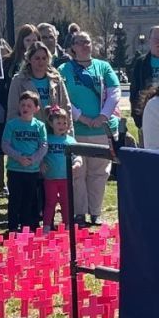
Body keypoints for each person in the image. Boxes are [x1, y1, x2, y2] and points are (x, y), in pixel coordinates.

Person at [59, 30, 120, 225]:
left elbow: (114, 92)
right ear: (73, 48)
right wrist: (81, 117)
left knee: (99, 173)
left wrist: (103, 116)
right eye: (80, 42)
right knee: (78, 172)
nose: (85, 45)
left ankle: (95, 212)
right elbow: (63, 97)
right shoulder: (64, 70)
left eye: (88, 42)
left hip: (101, 131)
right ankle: (79, 212)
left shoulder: (103, 67)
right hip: (77, 130)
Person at [0, 25, 38, 197]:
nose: (32, 44)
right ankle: (2, 184)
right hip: (7, 111)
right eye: (28, 40)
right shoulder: (7, 62)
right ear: (21, 41)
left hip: (30, 114)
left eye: (35, 40)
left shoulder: (38, 61)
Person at [1, 90, 48, 233]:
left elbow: (44, 145)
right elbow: (5, 145)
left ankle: (28, 226)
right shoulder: (12, 124)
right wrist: (19, 157)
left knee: (30, 199)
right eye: (23, 105)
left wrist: (34, 159)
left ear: (36, 108)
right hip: (15, 169)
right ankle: (13, 226)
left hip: (32, 170)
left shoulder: (40, 126)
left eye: (29, 105)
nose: (25, 108)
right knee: (15, 199)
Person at [7, 41, 72, 122]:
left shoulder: (56, 80)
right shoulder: (18, 80)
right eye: (37, 58)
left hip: (54, 131)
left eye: (44, 58)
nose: (41, 61)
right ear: (29, 59)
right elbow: (12, 112)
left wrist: (69, 132)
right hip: (29, 131)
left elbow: (66, 107)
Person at [41, 105, 80, 230]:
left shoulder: (70, 140)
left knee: (66, 203)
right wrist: (40, 163)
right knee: (50, 203)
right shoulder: (47, 139)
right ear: (51, 124)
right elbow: (41, 153)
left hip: (66, 178)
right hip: (50, 177)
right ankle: (47, 225)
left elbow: (77, 155)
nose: (62, 125)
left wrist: (77, 162)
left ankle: (68, 225)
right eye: (58, 123)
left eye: (64, 122)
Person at [129, 26, 159, 133]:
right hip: (145, 116)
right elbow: (134, 92)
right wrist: (138, 119)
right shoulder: (140, 63)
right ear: (149, 41)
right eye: (155, 38)